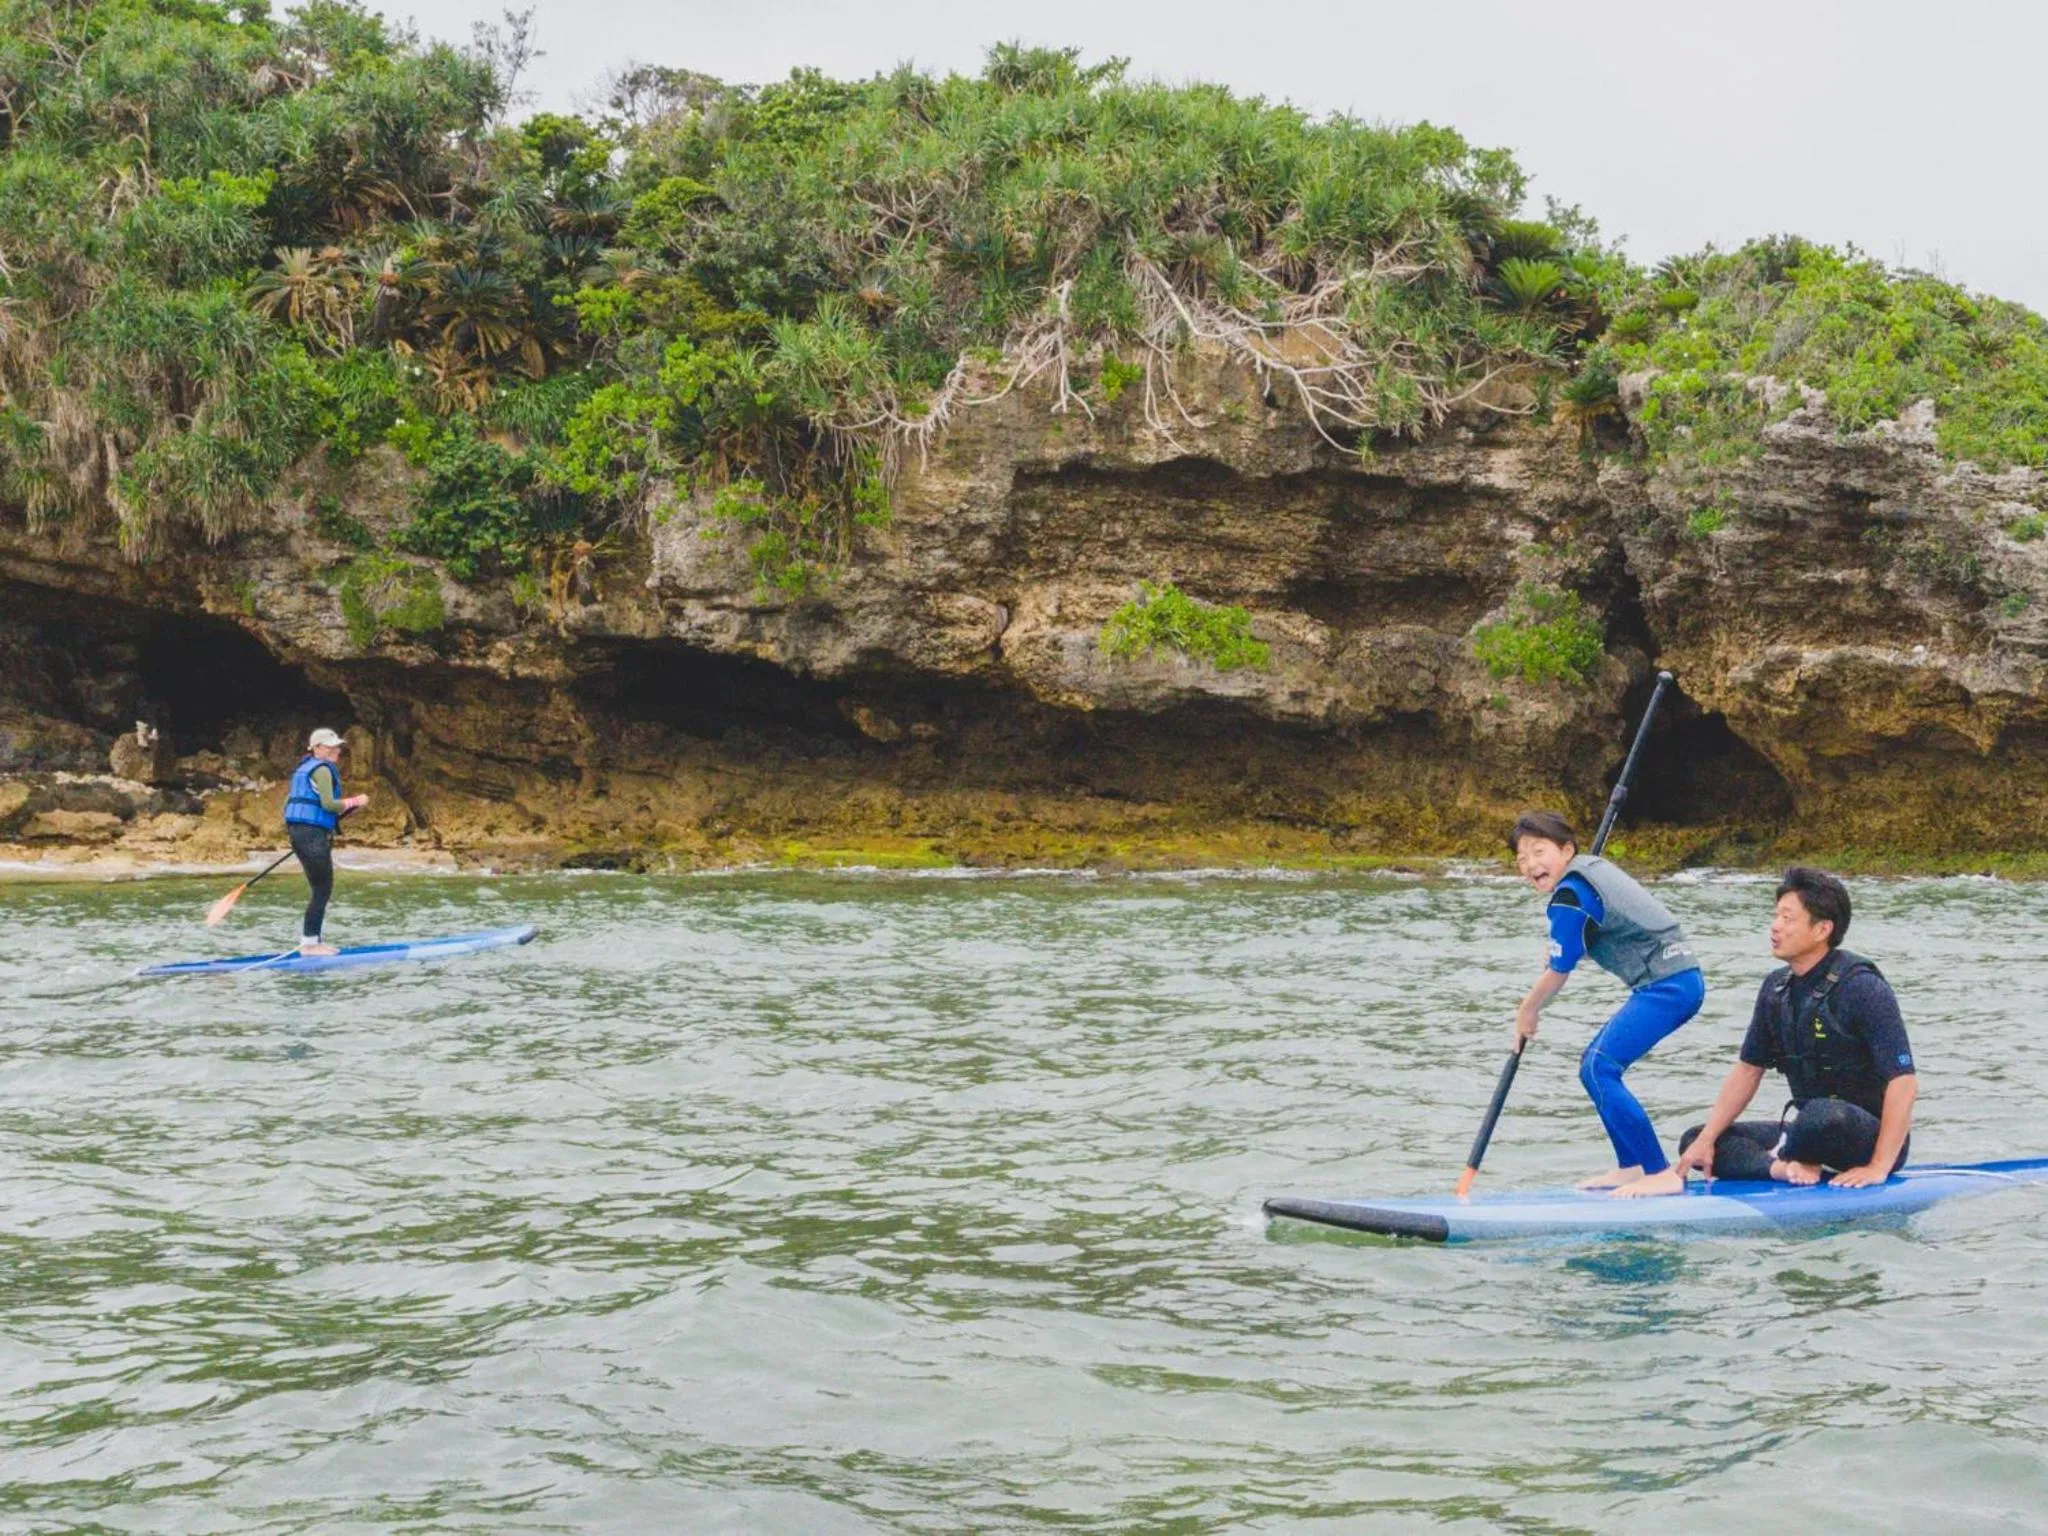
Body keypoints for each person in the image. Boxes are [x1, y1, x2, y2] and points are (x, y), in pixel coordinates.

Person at [1620, 866, 1917, 1197]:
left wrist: (1879, 1166)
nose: (1775, 926)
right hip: (1807, 1133)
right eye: (1776, 916)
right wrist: (1706, 1142)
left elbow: (1903, 1082)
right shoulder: (1776, 988)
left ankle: (1795, 1155)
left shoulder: (1862, 987)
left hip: (1863, 1136)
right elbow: (1748, 1070)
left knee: (1823, 1115)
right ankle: (1783, 1167)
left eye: (1788, 918)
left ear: (1822, 929)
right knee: (1696, 1139)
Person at [1507, 810, 1707, 1194]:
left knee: (1599, 1068)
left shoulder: (1570, 896)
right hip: (1677, 980)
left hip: (1668, 986)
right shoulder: (1587, 874)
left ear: (1567, 850)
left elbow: (1557, 973)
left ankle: (1660, 1173)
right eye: (1521, 859)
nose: (1530, 864)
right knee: (1595, 1067)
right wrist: (1570, 949)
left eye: (1539, 851)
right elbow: (1603, 931)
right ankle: (1631, 1166)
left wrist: (1527, 1012)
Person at [282, 727, 369, 955]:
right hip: (311, 837)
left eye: (337, 746)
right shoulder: (322, 770)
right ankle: (310, 944)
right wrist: (355, 800)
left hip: (302, 835)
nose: (337, 750)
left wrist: (302, 835)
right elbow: (329, 805)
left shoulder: (303, 770)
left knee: (319, 889)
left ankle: (312, 941)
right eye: (331, 747)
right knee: (322, 889)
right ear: (318, 748)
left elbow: (291, 807)